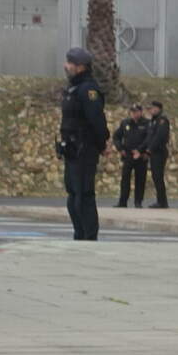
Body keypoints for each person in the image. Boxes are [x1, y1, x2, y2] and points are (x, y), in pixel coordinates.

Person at [56, 46, 108, 241]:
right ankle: (79, 233)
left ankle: (89, 236)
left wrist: (102, 144)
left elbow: (97, 120)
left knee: (84, 195)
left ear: (80, 67)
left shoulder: (88, 90)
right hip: (71, 149)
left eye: (69, 63)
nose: (66, 66)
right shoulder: (73, 88)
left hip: (84, 149)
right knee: (72, 194)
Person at [114, 104, 149, 208]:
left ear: (140, 112)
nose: (134, 114)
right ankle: (122, 201)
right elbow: (116, 137)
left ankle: (138, 202)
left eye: (136, 111)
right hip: (128, 155)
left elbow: (149, 139)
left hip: (141, 156)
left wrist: (141, 150)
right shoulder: (125, 123)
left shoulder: (146, 123)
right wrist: (120, 148)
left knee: (140, 179)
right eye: (132, 112)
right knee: (125, 179)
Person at [144, 100, 172, 209]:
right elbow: (149, 138)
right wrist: (143, 149)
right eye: (151, 108)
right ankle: (160, 200)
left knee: (158, 176)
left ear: (159, 109)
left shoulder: (162, 120)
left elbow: (159, 137)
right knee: (156, 177)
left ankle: (162, 202)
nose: (151, 110)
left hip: (159, 152)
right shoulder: (153, 121)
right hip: (154, 152)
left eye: (154, 108)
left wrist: (150, 149)